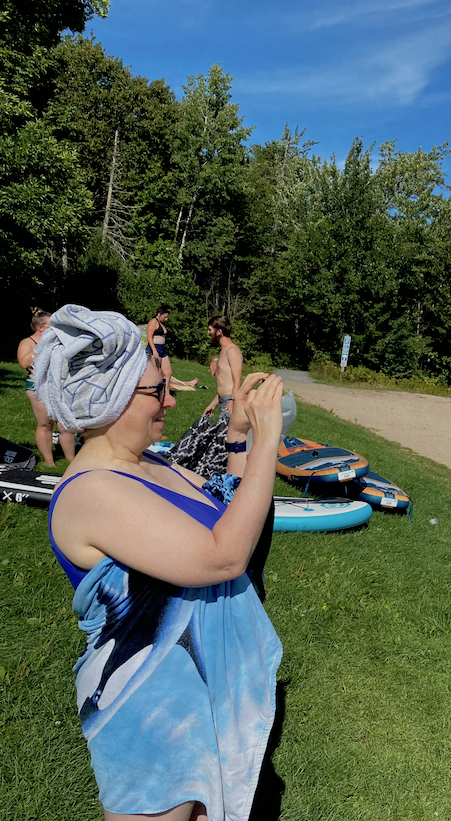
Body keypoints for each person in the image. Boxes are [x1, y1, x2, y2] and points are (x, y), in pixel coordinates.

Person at [37, 304, 283, 821]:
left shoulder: (147, 462)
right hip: (149, 711)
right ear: (110, 399)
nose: (171, 399)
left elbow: (231, 509)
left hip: (196, 690)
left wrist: (239, 436)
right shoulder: (92, 492)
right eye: (157, 390)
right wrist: (269, 444)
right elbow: (224, 556)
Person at [16, 307, 76, 467]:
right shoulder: (28, 342)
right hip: (38, 386)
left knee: (65, 424)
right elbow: (24, 362)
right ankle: (49, 462)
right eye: (53, 325)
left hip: (61, 386)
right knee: (45, 424)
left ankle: (72, 460)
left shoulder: (60, 341)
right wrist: (43, 346)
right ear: (41, 328)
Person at [146, 304, 198, 391]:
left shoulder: (161, 323)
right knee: (156, 372)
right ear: (159, 314)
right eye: (165, 317)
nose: (166, 319)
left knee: (168, 373)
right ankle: (155, 392)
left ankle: (166, 393)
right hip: (154, 349)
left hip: (162, 350)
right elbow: (149, 337)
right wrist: (154, 351)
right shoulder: (153, 322)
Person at [204, 315, 242, 419]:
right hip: (224, 400)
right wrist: (213, 404)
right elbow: (224, 384)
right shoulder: (224, 350)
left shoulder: (232, 350)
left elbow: (238, 380)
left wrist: (232, 401)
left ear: (219, 332)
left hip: (229, 402)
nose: (208, 332)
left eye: (210, 329)